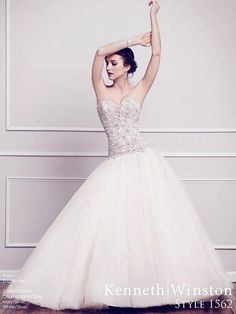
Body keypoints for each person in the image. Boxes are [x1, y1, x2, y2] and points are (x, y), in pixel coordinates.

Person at [3, 0, 235, 312]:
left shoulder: (140, 90)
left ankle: (151, 290)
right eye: (109, 64)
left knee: (149, 228)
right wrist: (132, 40)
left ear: (127, 66)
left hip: (142, 161)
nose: (109, 67)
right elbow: (98, 51)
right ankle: (116, 291)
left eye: (115, 63)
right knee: (112, 232)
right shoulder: (101, 89)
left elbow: (157, 55)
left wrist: (153, 17)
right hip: (114, 165)